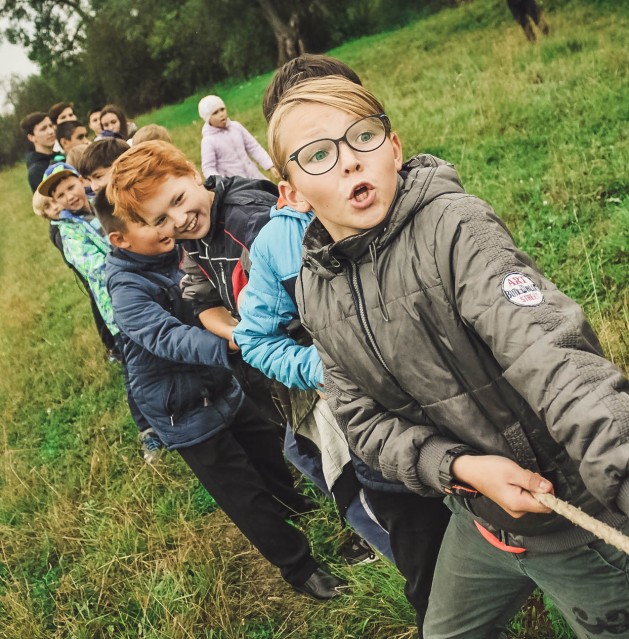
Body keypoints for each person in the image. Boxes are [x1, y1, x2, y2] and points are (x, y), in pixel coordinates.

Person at [269, 76, 629, 639]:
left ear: (393, 148)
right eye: (318, 155)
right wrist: (459, 468)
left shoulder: (456, 229)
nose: (348, 162)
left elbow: (552, 357)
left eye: (363, 136)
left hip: (580, 526)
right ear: (292, 194)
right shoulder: (315, 289)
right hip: (479, 521)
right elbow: (363, 423)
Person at [237, 55, 452, 636]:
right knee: (428, 569)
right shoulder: (282, 244)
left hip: (465, 417)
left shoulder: (431, 208)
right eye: (316, 147)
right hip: (382, 443)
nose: (346, 155)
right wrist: (327, 368)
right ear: (291, 172)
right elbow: (253, 337)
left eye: (356, 127)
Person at [97, 190, 346, 600]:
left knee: (267, 452)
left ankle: (295, 505)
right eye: (152, 222)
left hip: (221, 386)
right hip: (183, 410)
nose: (167, 226)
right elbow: (166, 336)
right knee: (242, 491)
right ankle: (298, 567)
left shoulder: (180, 250)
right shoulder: (125, 288)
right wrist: (238, 343)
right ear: (120, 240)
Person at [37, 163, 163, 463]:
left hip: (150, 291)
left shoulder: (105, 207)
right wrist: (134, 256)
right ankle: (147, 430)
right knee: (136, 371)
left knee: (162, 349)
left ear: (82, 182)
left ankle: (175, 407)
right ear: (54, 203)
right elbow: (95, 267)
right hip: (118, 309)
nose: (69, 196)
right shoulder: (69, 232)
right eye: (59, 194)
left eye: (70, 187)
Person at [199, 95, 278, 181]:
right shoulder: (208, 141)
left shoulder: (236, 127)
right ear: (207, 118)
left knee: (271, 192)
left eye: (222, 109)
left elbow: (253, 147)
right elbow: (208, 168)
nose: (221, 114)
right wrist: (222, 183)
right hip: (236, 186)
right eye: (215, 113)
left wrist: (270, 165)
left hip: (254, 176)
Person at [21, 113, 57, 192]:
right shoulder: (36, 171)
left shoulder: (60, 156)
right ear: (31, 137)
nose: (51, 131)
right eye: (43, 129)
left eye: (51, 126)